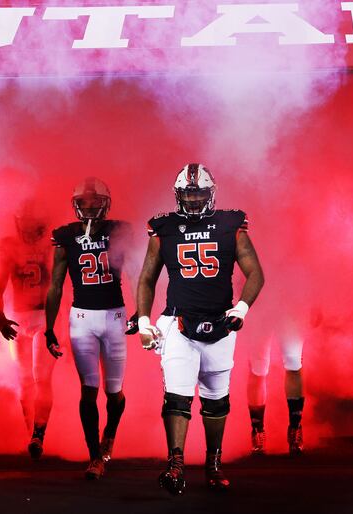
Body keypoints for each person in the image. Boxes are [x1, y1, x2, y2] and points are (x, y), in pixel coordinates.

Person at [136, 163, 265, 494]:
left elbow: (255, 273)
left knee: (216, 401)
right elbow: (147, 277)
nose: (193, 201)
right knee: (176, 396)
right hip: (179, 321)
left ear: (211, 194)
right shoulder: (163, 228)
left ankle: (213, 462)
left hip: (221, 322)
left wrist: (241, 307)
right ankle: (175, 463)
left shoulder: (230, 224)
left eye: (199, 194)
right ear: (178, 195)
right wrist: (143, 320)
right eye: (188, 194)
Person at [45, 178, 131, 479]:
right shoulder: (66, 235)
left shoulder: (119, 229)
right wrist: (48, 328)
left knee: (114, 391)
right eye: (84, 201)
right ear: (75, 204)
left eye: (95, 201)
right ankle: (95, 456)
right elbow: (55, 285)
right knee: (88, 389)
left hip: (115, 317)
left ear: (106, 203)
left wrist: (140, 314)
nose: (90, 206)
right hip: (82, 318)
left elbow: (136, 270)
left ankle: (110, 433)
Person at [0, 202, 55, 460]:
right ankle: (31, 431)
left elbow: (64, 285)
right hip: (19, 317)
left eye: (32, 222)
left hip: (44, 317)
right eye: (25, 221)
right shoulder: (10, 246)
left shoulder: (53, 245)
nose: (28, 227)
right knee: (24, 382)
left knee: (41, 378)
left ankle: (38, 435)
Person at [247, 323, 305, 456]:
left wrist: (314, 306)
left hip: (291, 308)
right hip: (259, 308)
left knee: (294, 362)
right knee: (258, 366)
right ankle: (257, 430)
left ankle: (295, 428)